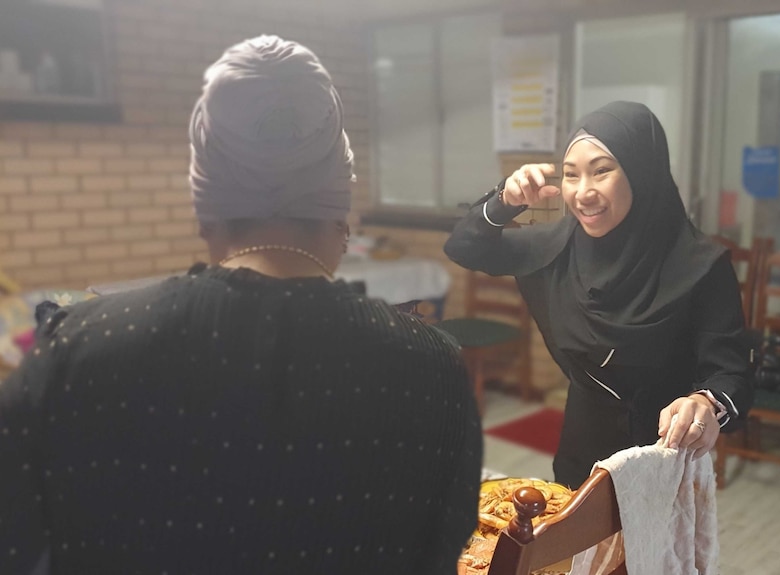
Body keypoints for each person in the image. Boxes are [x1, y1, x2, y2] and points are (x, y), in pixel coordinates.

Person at [0, 36, 482, 575]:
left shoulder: (76, 350)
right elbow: (444, 551)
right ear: (340, 210)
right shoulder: (433, 366)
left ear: (206, 205)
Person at [445, 101, 753, 488]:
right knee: (575, 545)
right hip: (582, 448)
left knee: (652, 549)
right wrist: (505, 201)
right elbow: (463, 247)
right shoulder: (556, 247)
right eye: (571, 175)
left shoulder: (700, 264)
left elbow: (731, 370)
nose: (583, 193)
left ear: (641, 171)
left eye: (602, 171)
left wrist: (706, 402)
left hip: (665, 455)